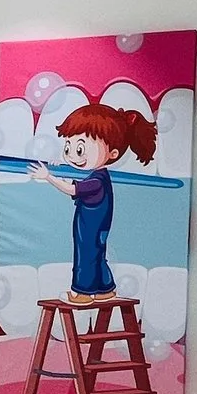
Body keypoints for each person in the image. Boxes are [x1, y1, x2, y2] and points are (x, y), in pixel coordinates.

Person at [32, 103, 159, 303]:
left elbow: (71, 189)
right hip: (96, 225)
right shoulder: (100, 176)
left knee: (86, 255)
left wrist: (48, 177)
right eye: (68, 147)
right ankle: (105, 289)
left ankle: (81, 293)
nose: (72, 154)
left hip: (90, 226)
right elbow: (77, 173)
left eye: (80, 149)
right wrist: (59, 165)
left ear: (113, 154)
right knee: (98, 255)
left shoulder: (96, 181)